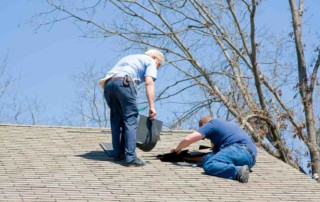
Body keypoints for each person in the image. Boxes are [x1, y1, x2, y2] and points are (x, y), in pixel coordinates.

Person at [100, 49, 164, 167]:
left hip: (108, 85)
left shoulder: (132, 58)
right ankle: (130, 157)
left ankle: (118, 152)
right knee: (131, 120)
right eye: (159, 65)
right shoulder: (150, 61)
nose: (157, 68)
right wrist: (152, 107)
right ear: (155, 58)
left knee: (116, 119)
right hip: (124, 83)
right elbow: (149, 83)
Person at [171, 115, 257, 183]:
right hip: (249, 159)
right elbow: (211, 157)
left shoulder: (212, 123)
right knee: (210, 159)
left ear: (204, 125)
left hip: (239, 149)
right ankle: (241, 169)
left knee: (209, 164)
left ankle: (237, 171)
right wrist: (188, 158)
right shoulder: (227, 129)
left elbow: (188, 139)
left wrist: (178, 148)